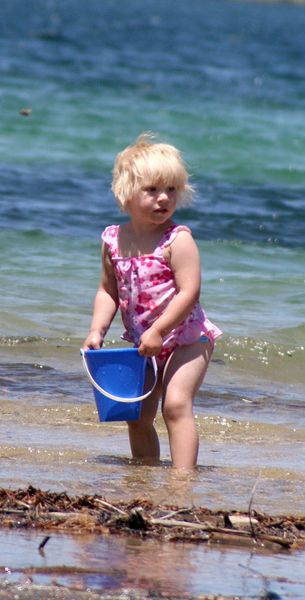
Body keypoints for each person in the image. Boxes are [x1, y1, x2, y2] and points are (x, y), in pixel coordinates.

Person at [83, 133, 222, 469]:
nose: (164, 199)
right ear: (126, 193)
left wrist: (159, 329)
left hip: (188, 337)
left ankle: (182, 477)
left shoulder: (178, 240)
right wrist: (96, 330)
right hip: (144, 343)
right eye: (153, 190)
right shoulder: (114, 241)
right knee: (137, 413)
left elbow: (190, 293)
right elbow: (108, 291)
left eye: (172, 190)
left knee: (175, 405)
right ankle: (144, 475)